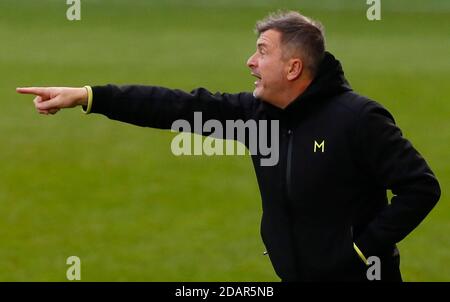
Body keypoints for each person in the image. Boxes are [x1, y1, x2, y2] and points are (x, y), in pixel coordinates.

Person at [17, 11, 440, 281]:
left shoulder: (358, 119)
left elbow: (421, 187)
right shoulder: (257, 116)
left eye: (261, 52)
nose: (250, 62)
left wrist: (359, 249)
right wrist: (89, 96)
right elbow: (175, 106)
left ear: (293, 67)